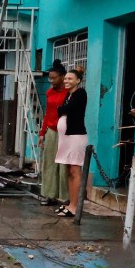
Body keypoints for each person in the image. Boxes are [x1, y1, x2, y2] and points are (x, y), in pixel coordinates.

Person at [55, 68, 89, 218]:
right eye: (66, 79)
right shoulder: (68, 95)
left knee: (75, 171)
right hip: (67, 138)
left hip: (76, 137)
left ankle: (75, 207)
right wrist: (62, 109)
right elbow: (61, 110)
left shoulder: (80, 93)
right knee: (70, 171)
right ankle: (70, 204)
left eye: (70, 79)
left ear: (78, 81)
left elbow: (67, 109)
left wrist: (62, 109)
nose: (66, 81)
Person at [39, 61, 68, 207]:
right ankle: (49, 195)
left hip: (65, 132)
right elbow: (47, 114)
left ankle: (65, 197)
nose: (51, 81)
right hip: (51, 131)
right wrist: (42, 133)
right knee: (49, 163)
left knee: (63, 165)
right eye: (50, 78)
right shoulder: (49, 92)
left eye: (54, 78)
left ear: (62, 77)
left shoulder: (69, 93)